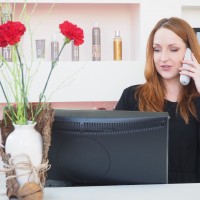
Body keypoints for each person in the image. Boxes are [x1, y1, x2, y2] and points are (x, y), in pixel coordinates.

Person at [115, 17, 200, 184]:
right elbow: (114, 152)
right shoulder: (132, 96)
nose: (163, 58)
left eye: (174, 49)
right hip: (143, 190)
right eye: (157, 49)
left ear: (191, 54)